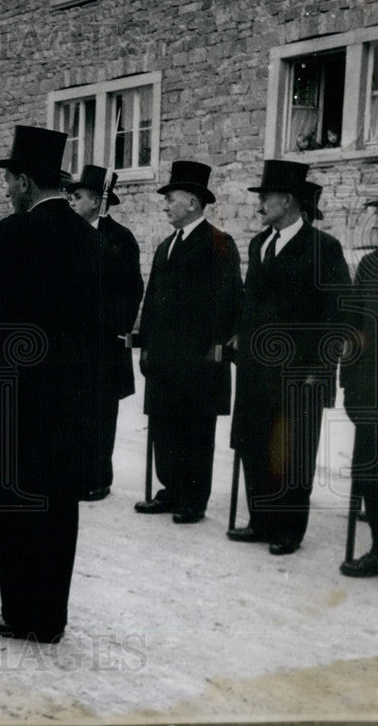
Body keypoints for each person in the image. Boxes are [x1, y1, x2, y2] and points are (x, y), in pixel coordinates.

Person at [0, 125, 104, 644]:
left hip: (21, 394)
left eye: (9, 182)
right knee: (59, 507)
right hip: (73, 397)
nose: (6, 190)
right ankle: (51, 618)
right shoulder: (90, 238)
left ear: (26, 183)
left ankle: (20, 613)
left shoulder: (20, 230)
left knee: (17, 505)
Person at [229, 160, 351, 555]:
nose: (260, 204)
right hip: (255, 369)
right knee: (255, 443)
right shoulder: (259, 243)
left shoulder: (323, 247)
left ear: (290, 200)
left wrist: (321, 368)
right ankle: (260, 519)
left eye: (266, 197)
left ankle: (288, 529)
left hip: (300, 373)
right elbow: (251, 304)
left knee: (292, 451)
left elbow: (337, 314)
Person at [134, 161, 243, 524]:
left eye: (171, 199)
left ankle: (193, 498)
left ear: (193, 203)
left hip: (198, 359)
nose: (165, 205)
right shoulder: (166, 246)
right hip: (164, 357)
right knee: (163, 427)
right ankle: (170, 489)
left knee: (195, 430)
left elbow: (230, 301)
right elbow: (151, 298)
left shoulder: (219, 244)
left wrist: (216, 348)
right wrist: (145, 344)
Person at [64, 165, 144, 501]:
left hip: (104, 343)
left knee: (101, 413)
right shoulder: (66, 233)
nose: (71, 201)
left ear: (97, 201)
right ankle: (72, 474)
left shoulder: (119, 238)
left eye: (78, 196)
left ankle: (98, 478)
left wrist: (115, 325)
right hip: (70, 342)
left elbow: (133, 289)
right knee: (73, 410)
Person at [340, 169, 378, 578]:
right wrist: (350, 383)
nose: (375, 222)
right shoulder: (369, 267)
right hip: (372, 393)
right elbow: (353, 330)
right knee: (374, 475)